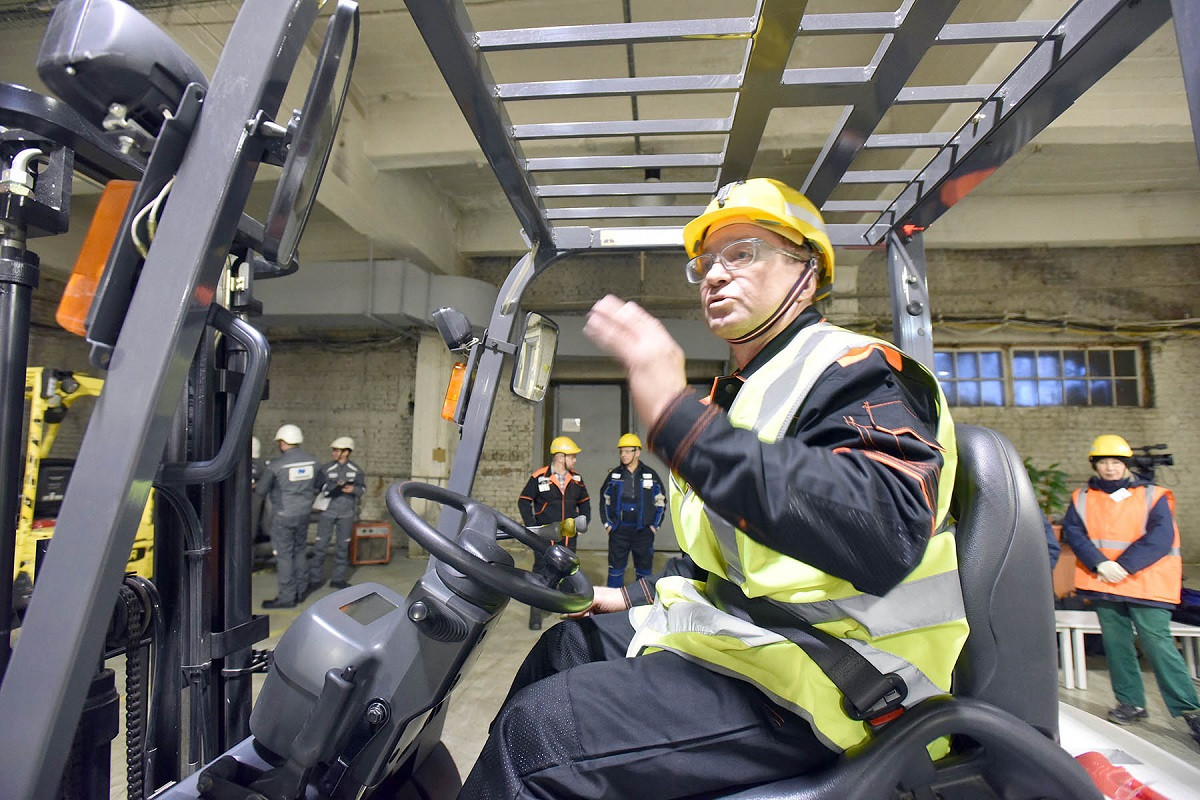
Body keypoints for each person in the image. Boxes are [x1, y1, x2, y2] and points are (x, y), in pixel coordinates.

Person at [460, 178, 966, 799]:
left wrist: (676, 418)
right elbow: (729, 562)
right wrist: (635, 593)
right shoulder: (746, 393)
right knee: (567, 645)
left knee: (538, 737)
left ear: (806, 271)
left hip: (848, 676)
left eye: (743, 253)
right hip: (767, 643)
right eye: (705, 262)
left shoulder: (859, 370)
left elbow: (881, 527)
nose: (714, 276)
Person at [1060, 434, 1200, 744]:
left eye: (1116, 462)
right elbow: (1074, 533)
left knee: (1158, 645)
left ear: (1126, 464)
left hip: (1145, 584)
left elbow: (1160, 537)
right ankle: (1131, 703)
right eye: (1103, 462)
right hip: (1104, 583)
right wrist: (1099, 563)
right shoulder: (1081, 498)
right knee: (1117, 645)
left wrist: (1124, 566)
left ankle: (1191, 711)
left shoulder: (1154, 495)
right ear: (1095, 465)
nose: (1110, 468)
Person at [517, 435, 591, 630]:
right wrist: (533, 527)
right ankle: (536, 613)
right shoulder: (539, 477)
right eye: (572, 456)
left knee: (568, 571)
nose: (575, 460)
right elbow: (524, 501)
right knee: (542, 572)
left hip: (568, 535)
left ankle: (566, 611)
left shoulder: (576, 479)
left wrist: (583, 524)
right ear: (560, 457)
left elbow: (585, 503)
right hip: (545, 535)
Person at [255, 424, 317, 609]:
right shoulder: (313, 462)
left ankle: (287, 597)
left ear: (283, 443)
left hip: (283, 516)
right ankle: (301, 590)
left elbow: (260, 491)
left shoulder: (276, 466)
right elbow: (320, 483)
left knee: (284, 556)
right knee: (299, 551)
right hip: (304, 514)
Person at [599, 433, 665, 588]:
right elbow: (605, 500)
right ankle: (613, 607)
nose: (623, 455)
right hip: (619, 531)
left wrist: (655, 526)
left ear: (637, 452)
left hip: (643, 532)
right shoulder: (614, 475)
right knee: (615, 570)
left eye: (628, 451)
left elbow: (660, 501)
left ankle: (641, 605)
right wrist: (608, 525)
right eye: (622, 451)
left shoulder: (650, 475)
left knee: (644, 572)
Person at [309, 436, 366, 592]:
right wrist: (328, 489)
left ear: (346, 452)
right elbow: (316, 488)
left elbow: (362, 489)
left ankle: (338, 579)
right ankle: (315, 579)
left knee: (342, 547)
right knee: (321, 546)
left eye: (337, 450)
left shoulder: (356, 470)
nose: (334, 453)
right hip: (327, 513)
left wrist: (353, 490)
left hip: (346, 514)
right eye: (333, 450)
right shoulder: (326, 469)